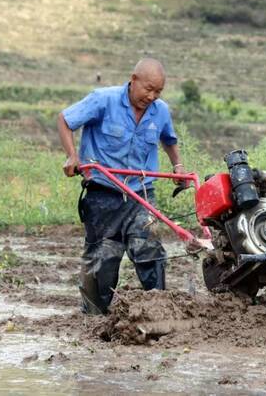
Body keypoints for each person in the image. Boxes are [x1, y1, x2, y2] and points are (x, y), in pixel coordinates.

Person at [57, 58, 183, 314]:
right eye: (148, 89)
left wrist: (177, 166)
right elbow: (65, 120)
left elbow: (168, 139)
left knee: (149, 250)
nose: (152, 96)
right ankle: (94, 318)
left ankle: (159, 310)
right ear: (133, 79)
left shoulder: (160, 110)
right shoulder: (103, 100)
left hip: (141, 195)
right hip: (104, 194)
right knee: (103, 259)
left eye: (158, 91)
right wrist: (72, 156)